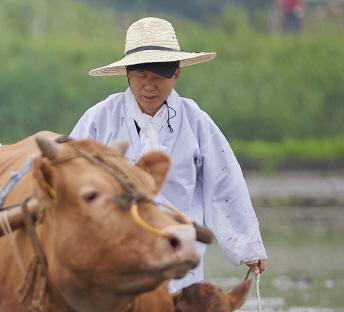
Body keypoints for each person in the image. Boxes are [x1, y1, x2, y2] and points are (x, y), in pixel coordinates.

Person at [70, 17, 266, 292]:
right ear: (128, 74)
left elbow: (223, 184)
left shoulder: (196, 121)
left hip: (180, 251)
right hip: (117, 251)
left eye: (158, 77)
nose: (149, 86)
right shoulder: (100, 118)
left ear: (176, 75)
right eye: (141, 76)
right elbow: (71, 179)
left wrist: (248, 248)